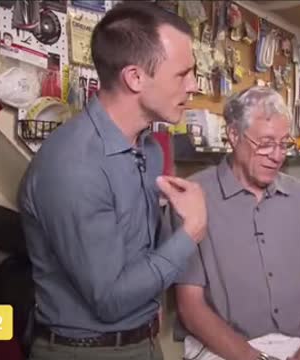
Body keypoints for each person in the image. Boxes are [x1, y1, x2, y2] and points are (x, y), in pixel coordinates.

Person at [17, 3, 206, 359]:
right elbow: (111, 300)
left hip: (145, 343)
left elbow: (140, 256)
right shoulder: (73, 168)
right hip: (86, 352)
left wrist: (173, 224)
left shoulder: (148, 150)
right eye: (183, 74)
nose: (194, 86)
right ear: (135, 78)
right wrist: (191, 232)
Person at [175, 86, 300, 360]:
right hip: (223, 347)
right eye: (266, 143)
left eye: (284, 143)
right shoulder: (193, 195)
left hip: (297, 343)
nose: (277, 155)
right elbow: (191, 307)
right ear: (234, 135)